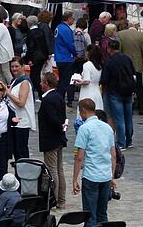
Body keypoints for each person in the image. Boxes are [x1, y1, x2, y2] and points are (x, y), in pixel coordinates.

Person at [72, 98, 117, 227]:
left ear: (84, 111)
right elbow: (113, 155)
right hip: (105, 176)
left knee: (90, 215)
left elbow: (79, 157)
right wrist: (112, 176)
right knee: (103, 213)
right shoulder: (107, 128)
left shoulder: (84, 128)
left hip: (91, 176)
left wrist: (75, 179)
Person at [38, 71, 68, 209]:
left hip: (51, 139)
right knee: (59, 169)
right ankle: (61, 199)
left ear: (46, 84)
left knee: (52, 170)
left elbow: (53, 119)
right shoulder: (59, 96)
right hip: (59, 138)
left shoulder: (47, 100)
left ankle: (54, 199)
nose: (40, 84)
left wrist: (59, 127)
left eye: (42, 82)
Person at [101, 40, 135, 150]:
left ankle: (121, 142)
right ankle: (129, 140)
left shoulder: (108, 61)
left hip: (115, 91)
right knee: (128, 117)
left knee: (119, 118)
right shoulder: (127, 59)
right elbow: (133, 72)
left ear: (109, 48)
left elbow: (104, 79)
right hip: (128, 90)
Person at [117, 21, 143, 115]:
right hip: (137, 64)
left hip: (124, 64)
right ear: (136, 26)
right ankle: (141, 107)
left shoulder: (121, 34)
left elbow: (119, 50)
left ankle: (126, 106)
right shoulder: (142, 36)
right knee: (139, 86)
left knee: (124, 85)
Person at [7, 57, 36, 160]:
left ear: (23, 67)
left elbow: (21, 102)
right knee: (16, 150)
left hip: (22, 121)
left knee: (21, 151)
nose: (14, 69)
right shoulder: (14, 80)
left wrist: (8, 94)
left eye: (17, 66)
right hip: (15, 120)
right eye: (12, 66)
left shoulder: (24, 82)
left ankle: (25, 174)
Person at [55, 11, 77, 106]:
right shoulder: (66, 29)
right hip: (66, 57)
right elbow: (70, 44)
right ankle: (69, 99)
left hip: (59, 57)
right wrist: (75, 53)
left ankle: (60, 97)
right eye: (72, 18)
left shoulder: (58, 27)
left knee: (62, 79)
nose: (73, 20)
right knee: (68, 80)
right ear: (68, 19)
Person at [24, 15, 51, 94]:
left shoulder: (30, 33)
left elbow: (30, 47)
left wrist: (29, 59)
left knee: (34, 76)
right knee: (37, 74)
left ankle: (40, 92)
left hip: (35, 57)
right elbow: (45, 44)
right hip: (42, 56)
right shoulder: (41, 31)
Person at [76, 45, 104, 111]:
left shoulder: (87, 65)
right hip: (97, 92)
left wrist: (78, 83)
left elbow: (87, 80)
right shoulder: (99, 65)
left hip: (87, 92)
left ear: (88, 53)